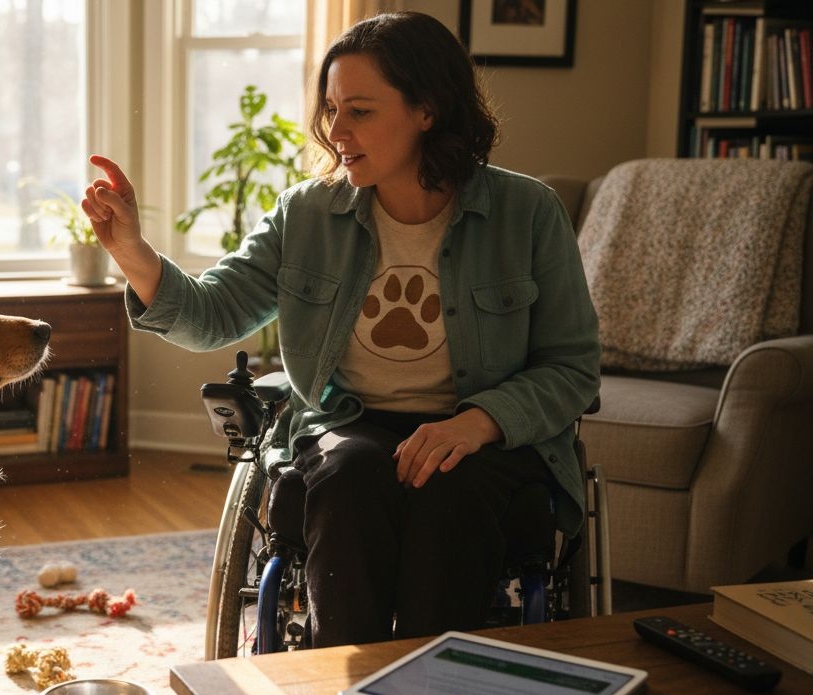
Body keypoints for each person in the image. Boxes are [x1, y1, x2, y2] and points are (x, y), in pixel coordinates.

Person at [81, 11, 599, 648]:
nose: (335, 131)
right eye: (330, 109)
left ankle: (426, 679)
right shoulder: (307, 214)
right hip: (350, 422)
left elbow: (572, 366)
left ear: (428, 110)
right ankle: (343, 679)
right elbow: (213, 313)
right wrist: (131, 250)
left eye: (359, 111)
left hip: (481, 435)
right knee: (350, 474)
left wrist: (478, 422)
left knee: (452, 490)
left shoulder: (528, 213)